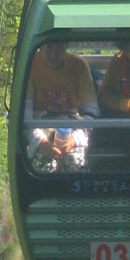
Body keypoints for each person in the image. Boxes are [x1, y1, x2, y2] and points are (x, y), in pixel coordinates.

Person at [26, 43, 99, 171]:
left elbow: (92, 111)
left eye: (59, 49)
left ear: (65, 47)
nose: (53, 56)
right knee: (43, 167)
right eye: (49, 48)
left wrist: (74, 139)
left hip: (72, 125)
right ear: (40, 47)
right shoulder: (31, 65)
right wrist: (40, 141)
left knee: (76, 164)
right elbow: (25, 114)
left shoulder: (78, 66)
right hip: (40, 125)